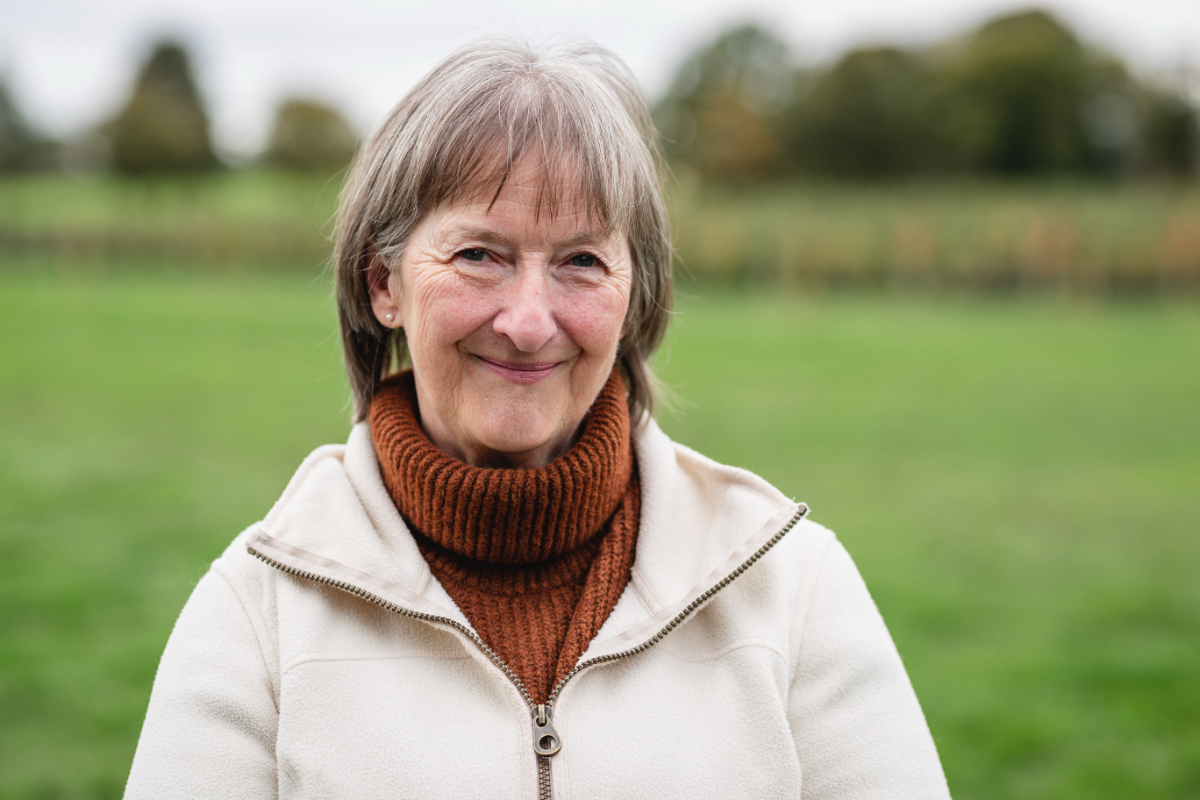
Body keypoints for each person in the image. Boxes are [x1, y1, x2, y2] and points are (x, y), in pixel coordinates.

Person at [125, 38, 950, 799]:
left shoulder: (790, 584)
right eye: (479, 254)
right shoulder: (258, 609)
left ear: (634, 299)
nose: (527, 320)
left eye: (581, 262)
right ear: (384, 285)